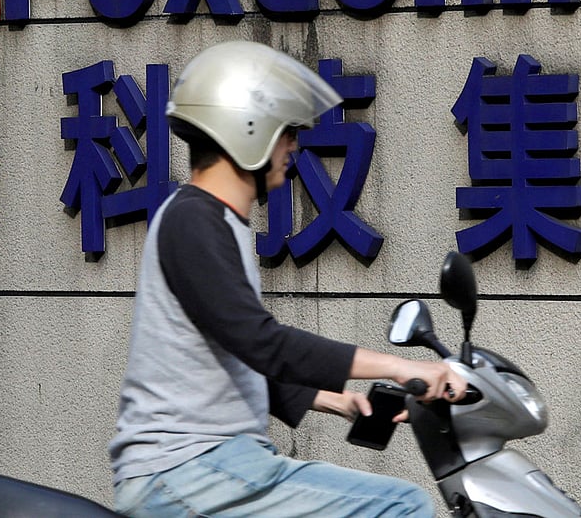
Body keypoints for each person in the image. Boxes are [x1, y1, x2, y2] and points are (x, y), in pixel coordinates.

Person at [108, 40, 467, 517]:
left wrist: (328, 399)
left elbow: (233, 350)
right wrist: (403, 367)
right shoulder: (193, 221)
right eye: (285, 132)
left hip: (205, 467)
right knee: (400, 506)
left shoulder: (212, 220)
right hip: (186, 468)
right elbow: (261, 342)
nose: (293, 146)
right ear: (246, 131)